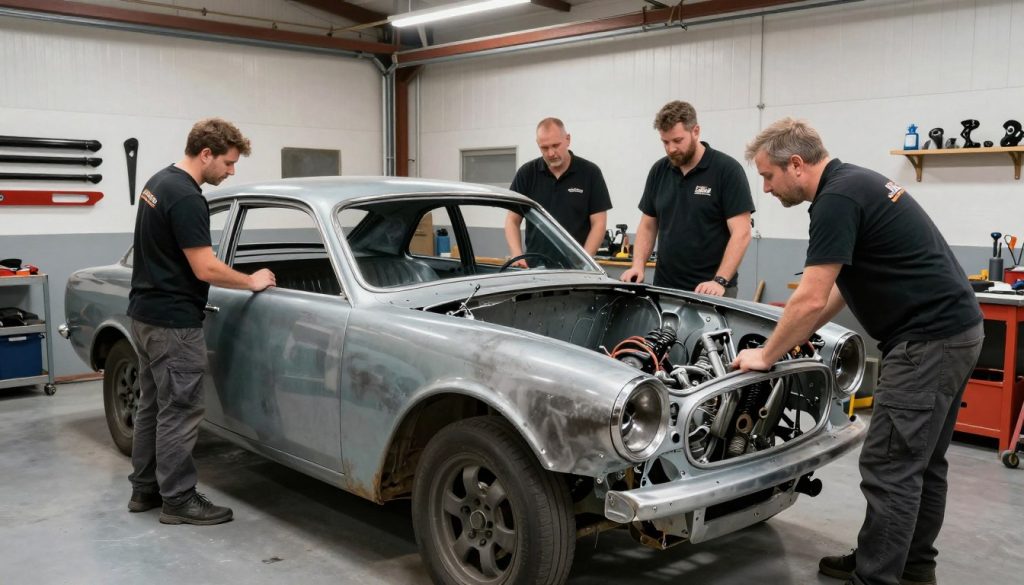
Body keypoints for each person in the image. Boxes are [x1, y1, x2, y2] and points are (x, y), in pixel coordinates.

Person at [733, 118, 983, 585]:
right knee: (921, 464)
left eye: (768, 176)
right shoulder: (856, 183)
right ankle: (908, 567)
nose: (765, 189)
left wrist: (766, 354)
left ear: (796, 165)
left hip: (925, 343)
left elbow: (809, 295)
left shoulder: (836, 200)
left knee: (890, 467)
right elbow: (842, 289)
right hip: (956, 333)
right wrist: (798, 330)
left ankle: (877, 577)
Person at [127, 118, 276, 525]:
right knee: (181, 409)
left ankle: (144, 490)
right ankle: (178, 499)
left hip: (144, 315)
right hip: (174, 323)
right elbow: (205, 268)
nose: (231, 171)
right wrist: (251, 280)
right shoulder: (188, 197)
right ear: (206, 154)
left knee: (153, 406)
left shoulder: (158, 182)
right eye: (228, 163)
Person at [620, 100, 754, 298]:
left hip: (712, 291)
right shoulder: (659, 171)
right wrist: (638, 266)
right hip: (665, 288)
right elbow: (648, 225)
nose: (671, 149)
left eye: (677, 140)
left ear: (696, 131)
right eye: (665, 142)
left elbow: (742, 232)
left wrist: (720, 280)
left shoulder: (726, 171)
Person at [504, 117, 612, 267]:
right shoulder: (527, 174)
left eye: (556, 145)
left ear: (568, 139)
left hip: (575, 271)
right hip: (535, 269)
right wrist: (517, 254)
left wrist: (585, 262)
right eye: (544, 148)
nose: (551, 153)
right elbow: (512, 221)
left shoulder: (590, 173)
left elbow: (599, 223)